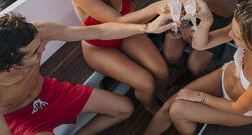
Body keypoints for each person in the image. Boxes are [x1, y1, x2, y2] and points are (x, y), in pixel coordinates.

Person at [0, 12, 174, 135]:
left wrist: (148, 27)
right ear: (10, 65)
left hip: (50, 92)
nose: (43, 48)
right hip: (20, 118)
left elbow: (98, 31)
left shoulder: (39, 32)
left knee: (125, 108)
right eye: (36, 52)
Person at [144, 0, 252, 135]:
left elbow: (238, 108)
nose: (231, 34)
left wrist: (199, 97)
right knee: (169, 105)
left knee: (177, 111)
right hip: (224, 78)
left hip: (238, 110)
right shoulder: (243, 30)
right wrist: (207, 20)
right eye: (232, 29)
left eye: (237, 37)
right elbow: (199, 45)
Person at [69, 0, 170, 111]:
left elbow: (130, 11)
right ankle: (150, 106)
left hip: (126, 34)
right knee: (146, 83)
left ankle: (162, 94)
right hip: (99, 47)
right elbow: (117, 20)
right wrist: (156, 8)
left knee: (162, 71)